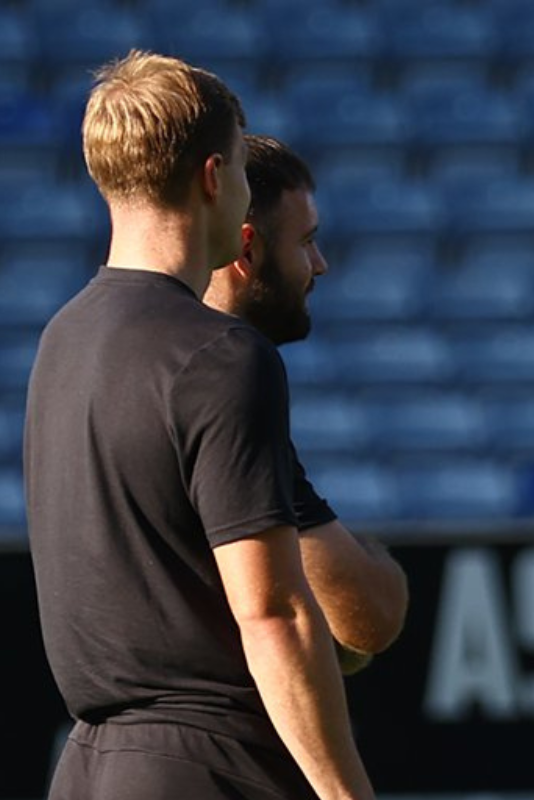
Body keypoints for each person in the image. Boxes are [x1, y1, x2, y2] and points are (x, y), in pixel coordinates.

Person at [24, 51, 378, 800]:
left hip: (87, 767)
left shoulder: (61, 339)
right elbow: (274, 615)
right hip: (210, 768)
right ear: (215, 179)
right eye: (247, 178)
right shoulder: (222, 356)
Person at [202, 132, 408, 673]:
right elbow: (368, 613)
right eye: (306, 241)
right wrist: (371, 560)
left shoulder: (82, 343)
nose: (319, 264)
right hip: (214, 747)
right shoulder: (227, 374)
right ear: (247, 248)